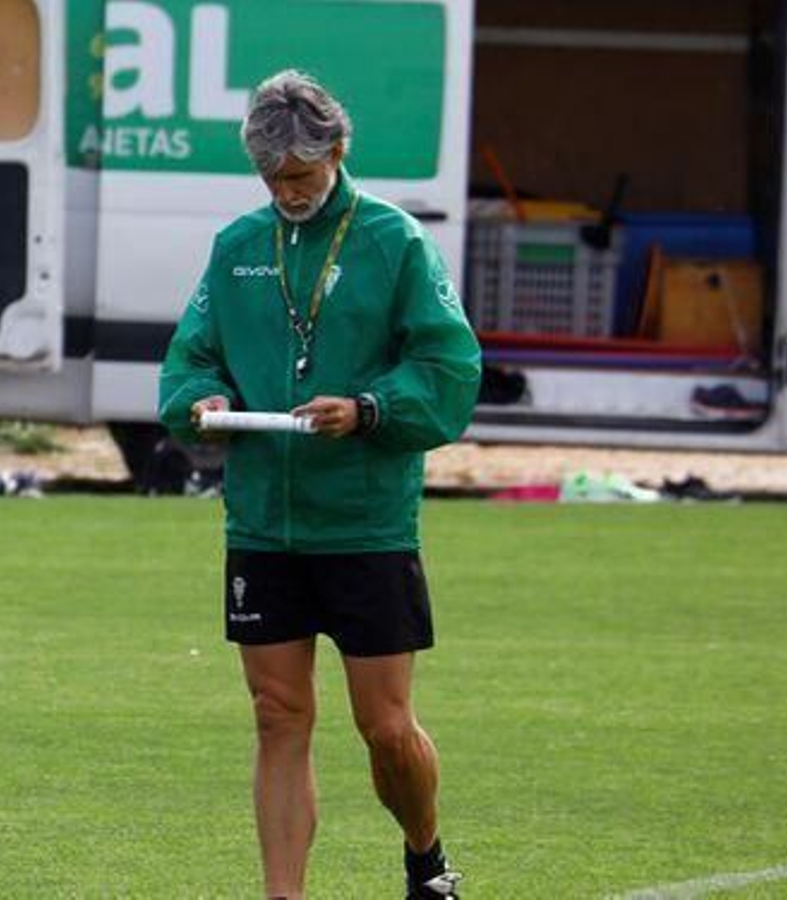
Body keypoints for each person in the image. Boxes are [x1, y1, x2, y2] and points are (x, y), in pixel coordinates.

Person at [157, 71, 481, 899]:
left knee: (385, 727)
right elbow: (189, 361)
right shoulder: (236, 249)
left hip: (366, 525)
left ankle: (425, 854)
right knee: (277, 715)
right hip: (263, 521)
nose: (286, 193)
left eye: (300, 176)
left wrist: (370, 409)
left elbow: (449, 369)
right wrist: (201, 402)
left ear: (338, 152)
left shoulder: (394, 242)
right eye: (272, 180)